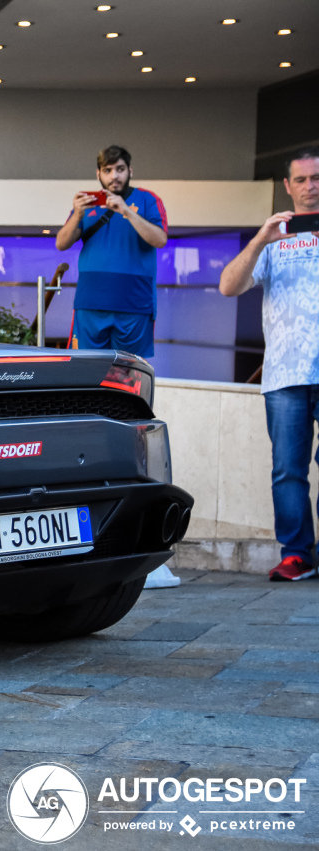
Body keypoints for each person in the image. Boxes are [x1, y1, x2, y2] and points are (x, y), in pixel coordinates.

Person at [218, 146, 319, 582]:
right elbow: (228, 286)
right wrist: (261, 238)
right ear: (287, 185)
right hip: (285, 372)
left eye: (317, 178)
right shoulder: (274, 238)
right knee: (288, 470)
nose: (311, 187)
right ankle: (297, 554)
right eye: (302, 179)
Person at [56, 145, 168, 357]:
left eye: (120, 169)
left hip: (134, 304)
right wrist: (77, 214)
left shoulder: (148, 200)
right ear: (98, 174)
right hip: (90, 303)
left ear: (130, 171)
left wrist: (126, 211)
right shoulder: (86, 204)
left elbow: (160, 239)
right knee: (86, 370)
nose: (114, 176)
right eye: (107, 170)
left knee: (128, 374)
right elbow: (61, 243)